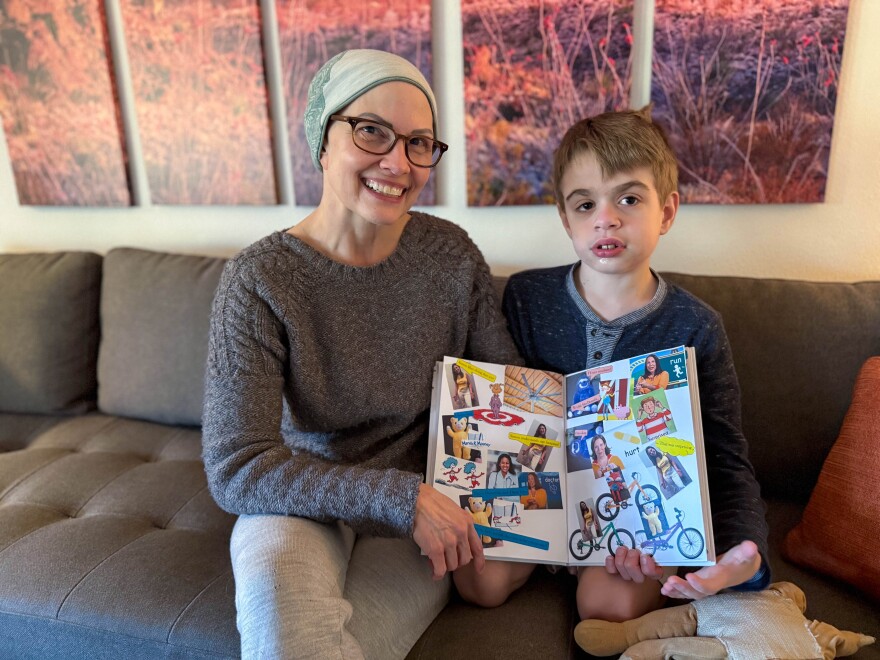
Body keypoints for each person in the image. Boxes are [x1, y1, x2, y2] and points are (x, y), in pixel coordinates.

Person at [201, 49, 521, 659]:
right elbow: (236, 465)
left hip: (421, 514)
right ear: (324, 140)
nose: (397, 163)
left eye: (419, 142)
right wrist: (401, 499)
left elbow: (505, 392)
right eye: (372, 131)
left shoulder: (451, 258)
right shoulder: (260, 280)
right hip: (301, 498)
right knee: (282, 617)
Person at [460, 106, 771, 624]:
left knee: (608, 606)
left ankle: (604, 576)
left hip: (628, 523)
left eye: (628, 198)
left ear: (667, 212)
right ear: (565, 218)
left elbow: (726, 457)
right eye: (585, 204)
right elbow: (500, 412)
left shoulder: (696, 326)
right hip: (535, 497)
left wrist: (746, 552)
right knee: (480, 583)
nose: (606, 218)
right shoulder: (526, 297)